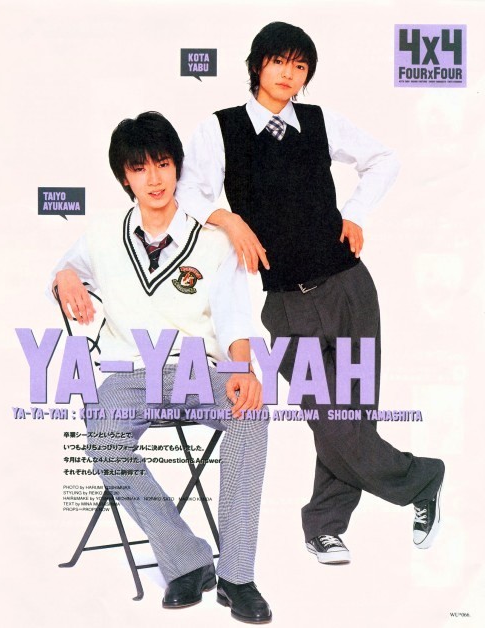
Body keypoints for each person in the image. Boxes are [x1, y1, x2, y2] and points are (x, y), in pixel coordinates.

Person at [175, 21, 444, 565]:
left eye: (300, 66)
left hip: (349, 288)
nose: (288, 74)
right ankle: (423, 479)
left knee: (351, 418)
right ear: (257, 65)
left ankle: (324, 526)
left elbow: (384, 159)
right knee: (332, 419)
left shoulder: (321, 122)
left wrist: (356, 213)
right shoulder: (221, 128)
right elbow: (187, 189)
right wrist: (229, 219)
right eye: (279, 61)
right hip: (286, 303)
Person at [51, 111, 272, 623]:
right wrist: (65, 276)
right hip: (132, 374)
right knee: (102, 433)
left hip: (201, 371)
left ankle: (237, 576)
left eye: (163, 164)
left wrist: (244, 369)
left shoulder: (212, 240)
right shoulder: (102, 234)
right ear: (124, 177)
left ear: (177, 168)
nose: (154, 178)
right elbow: (66, 269)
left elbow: (235, 316)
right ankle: (187, 558)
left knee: (252, 416)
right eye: (139, 168)